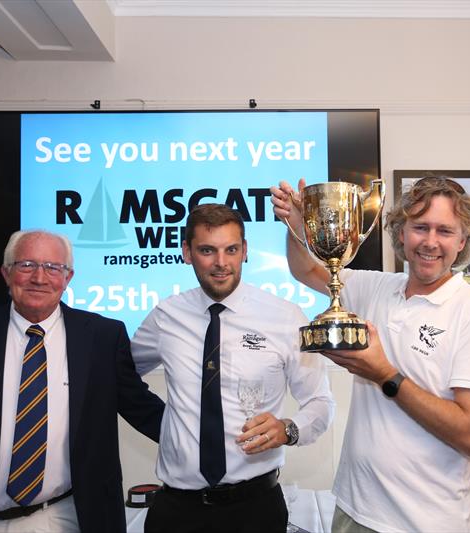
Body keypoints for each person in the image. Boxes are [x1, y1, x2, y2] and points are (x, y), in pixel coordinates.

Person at [271, 176, 470, 532]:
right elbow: (305, 269)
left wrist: (385, 374)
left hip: (428, 523)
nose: (430, 241)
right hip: (355, 509)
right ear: (400, 233)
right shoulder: (375, 287)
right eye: (420, 227)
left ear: (463, 240)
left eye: (444, 230)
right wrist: (297, 226)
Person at [0, 230, 165, 532]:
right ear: (6, 273)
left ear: (68, 277)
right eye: (27, 265)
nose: (40, 278)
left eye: (53, 268)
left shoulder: (103, 338)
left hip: (67, 517)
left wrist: (211, 441)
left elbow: (143, 409)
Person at [131, 203, 335, 533]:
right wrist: (164, 423)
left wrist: (289, 429)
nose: (221, 263)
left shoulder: (284, 316)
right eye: (207, 251)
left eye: (231, 249)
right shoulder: (165, 317)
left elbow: (321, 403)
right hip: (176, 512)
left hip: (256, 510)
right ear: (187, 252)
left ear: (245, 251)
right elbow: (122, 378)